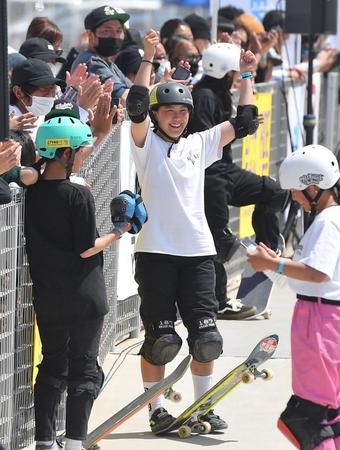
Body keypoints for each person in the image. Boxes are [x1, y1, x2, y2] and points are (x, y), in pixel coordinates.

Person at [126, 29, 258, 432]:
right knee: (161, 339)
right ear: (157, 116)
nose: (178, 117)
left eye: (182, 112)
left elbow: (246, 122)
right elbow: (134, 103)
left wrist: (248, 76)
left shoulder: (199, 143)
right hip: (156, 254)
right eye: (170, 112)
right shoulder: (145, 144)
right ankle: (157, 409)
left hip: (199, 253)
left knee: (206, 338)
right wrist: (149, 57)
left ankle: (202, 405)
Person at [25, 112, 129, 450]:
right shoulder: (78, 195)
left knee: (52, 365)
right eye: (81, 150)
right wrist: (119, 231)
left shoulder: (28, 193)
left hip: (49, 296)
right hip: (84, 295)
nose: (85, 154)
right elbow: (86, 249)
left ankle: (43, 442)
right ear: (66, 153)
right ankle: (72, 443)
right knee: (83, 368)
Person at [247, 144, 340, 450]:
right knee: (327, 411)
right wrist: (276, 265)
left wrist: (273, 263)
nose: (295, 199)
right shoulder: (326, 220)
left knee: (314, 415)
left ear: (313, 186)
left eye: (297, 192)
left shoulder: (328, 222)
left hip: (321, 320)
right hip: (319, 314)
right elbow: (304, 277)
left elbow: (317, 273)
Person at [188, 42, 287, 319]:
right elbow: (206, 139)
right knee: (216, 241)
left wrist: (241, 121)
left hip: (225, 171)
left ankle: (266, 242)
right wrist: (239, 122)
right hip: (209, 177)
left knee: (273, 191)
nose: (236, 79)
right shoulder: (205, 96)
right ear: (225, 72)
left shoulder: (216, 93)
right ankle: (218, 302)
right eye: (235, 73)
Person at [71, 5, 132, 103]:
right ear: (90, 34)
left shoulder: (108, 63)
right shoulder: (92, 61)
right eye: (107, 31)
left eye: (119, 31)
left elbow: (135, 91)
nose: (114, 36)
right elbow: (126, 98)